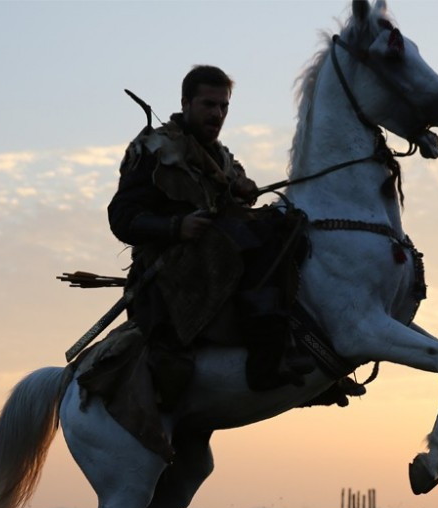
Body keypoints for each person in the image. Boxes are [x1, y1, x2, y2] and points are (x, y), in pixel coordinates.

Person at [107, 65, 314, 398]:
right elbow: (121, 217)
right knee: (255, 236)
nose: (218, 114)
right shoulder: (154, 149)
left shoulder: (222, 159)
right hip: (171, 271)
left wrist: (242, 190)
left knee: (289, 228)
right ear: (186, 102)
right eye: (209, 104)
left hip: (220, 259)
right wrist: (176, 227)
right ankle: (266, 357)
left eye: (224, 106)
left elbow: (233, 208)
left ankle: (303, 342)